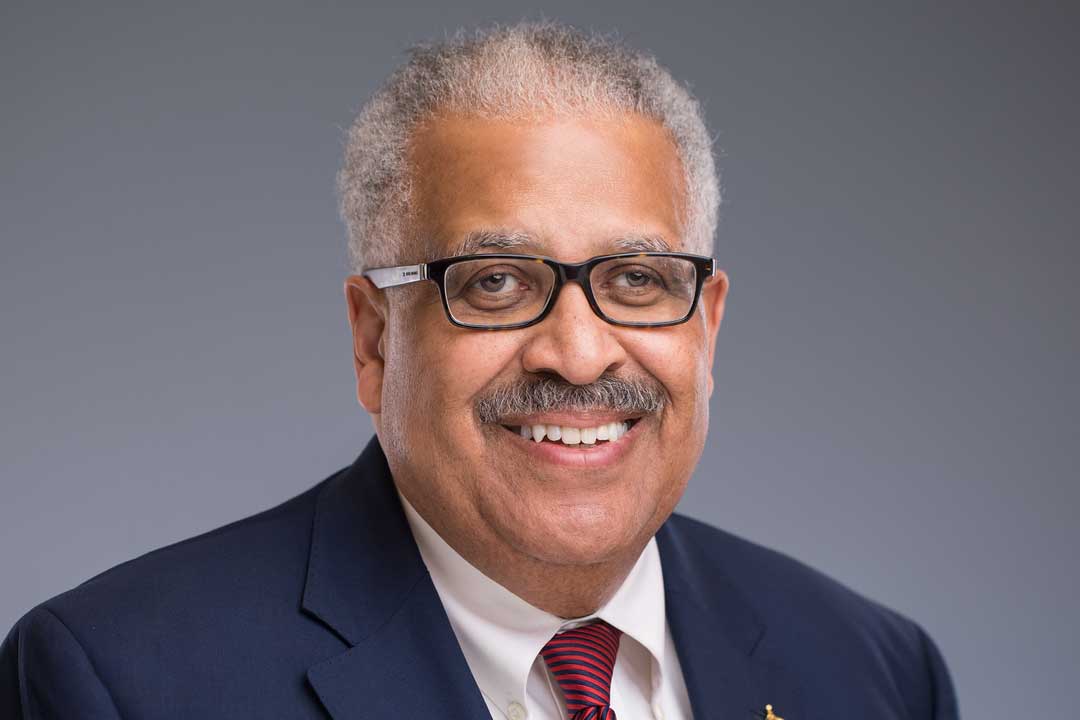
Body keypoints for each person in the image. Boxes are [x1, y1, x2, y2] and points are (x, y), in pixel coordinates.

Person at [0, 21, 959, 719]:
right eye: (497, 282)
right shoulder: (122, 681)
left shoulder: (874, 674)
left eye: (636, 279)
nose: (578, 352)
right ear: (375, 339)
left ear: (705, 330)